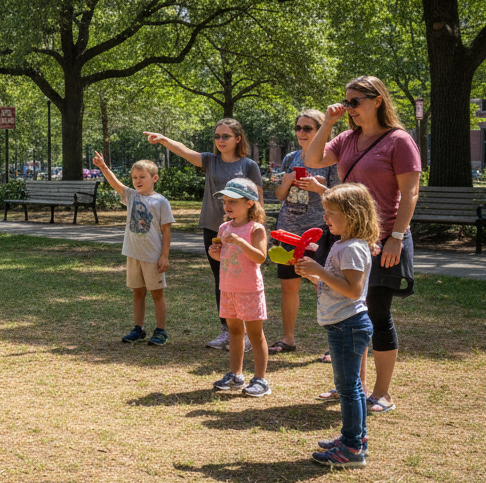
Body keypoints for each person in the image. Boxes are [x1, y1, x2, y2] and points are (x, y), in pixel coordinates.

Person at [306, 76, 420, 414]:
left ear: (378, 100)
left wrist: (395, 237)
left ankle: (382, 394)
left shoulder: (399, 141)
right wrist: (327, 121)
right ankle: (353, 385)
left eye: (355, 102)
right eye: (347, 101)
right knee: (347, 311)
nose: (349, 108)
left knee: (378, 313)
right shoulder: (346, 138)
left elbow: (410, 193)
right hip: (348, 238)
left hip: (386, 239)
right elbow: (313, 160)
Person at [144, 120, 263, 349]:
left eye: (226, 136)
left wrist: (255, 229)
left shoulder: (249, 165)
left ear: (238, 138)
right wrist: (164, 139)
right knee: (222, 280)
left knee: (244, 280)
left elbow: (257, 199)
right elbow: (185, 151)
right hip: (214, 228)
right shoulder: (210, 160)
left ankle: (246, 333)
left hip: (241, 230)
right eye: (217, 136)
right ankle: (227, 331)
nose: (220, 140)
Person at [296, 183, 380, 468]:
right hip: (342, 324)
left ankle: (352, 448)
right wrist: (313, 275)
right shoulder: (343, 244)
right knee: (351, 387)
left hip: (349, 325)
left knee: (348, 389)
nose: (326, 218)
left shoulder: (353, 248)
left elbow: (354, 290)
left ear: (352, 215)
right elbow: (336, 284)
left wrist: (319, 270)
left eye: (331, 213)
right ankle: (354, 438)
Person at [270, 110, 340, 356]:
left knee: (324, 286)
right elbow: (279, 196)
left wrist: (319, 187)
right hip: (288, 231)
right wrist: (287, 180)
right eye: (298, 127)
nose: (301, 132)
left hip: (318, 233)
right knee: (288, 287)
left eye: (307, 128)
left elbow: (339, 198)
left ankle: (334, 344)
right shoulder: (291, 157)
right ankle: (287, 338)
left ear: (320, 130)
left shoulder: (331, 158)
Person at [94, 154, 174, 346]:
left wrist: (164, 256)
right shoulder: (131, 196)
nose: (137, 181)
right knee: (137, 292)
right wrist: (103, 167)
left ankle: (161, 331)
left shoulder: (160, 202)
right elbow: (115, 183)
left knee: (157, 293)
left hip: (152, 257)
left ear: (154, 178)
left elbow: (166, 230)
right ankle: (138, 329)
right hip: (133, 255)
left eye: (142, 177)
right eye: (134, 177)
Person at [208, 178, 271, 397]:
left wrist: (240, 242)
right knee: (235, 331)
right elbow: (223, 255)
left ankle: (261, 380)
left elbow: (260, 257)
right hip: (228, 288)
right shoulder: (224, 227)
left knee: (255, 335)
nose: (227, 205)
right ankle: (236, 375)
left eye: (233, 201)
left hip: (250, 290)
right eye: (225, 201)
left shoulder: (256, 229)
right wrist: (214, 253)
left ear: (250, 203)